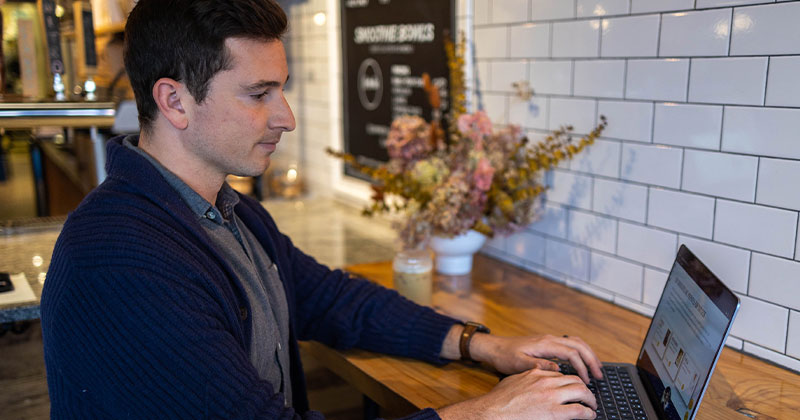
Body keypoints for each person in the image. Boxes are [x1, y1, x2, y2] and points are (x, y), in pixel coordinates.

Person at [41, 1, 603, 419]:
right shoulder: (119, 259)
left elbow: (330, 299)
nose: (285, 117)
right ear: (175, 102)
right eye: (259, 94)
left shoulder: (225, 212)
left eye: (280, 90)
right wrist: (485, 413)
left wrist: (483, 344)